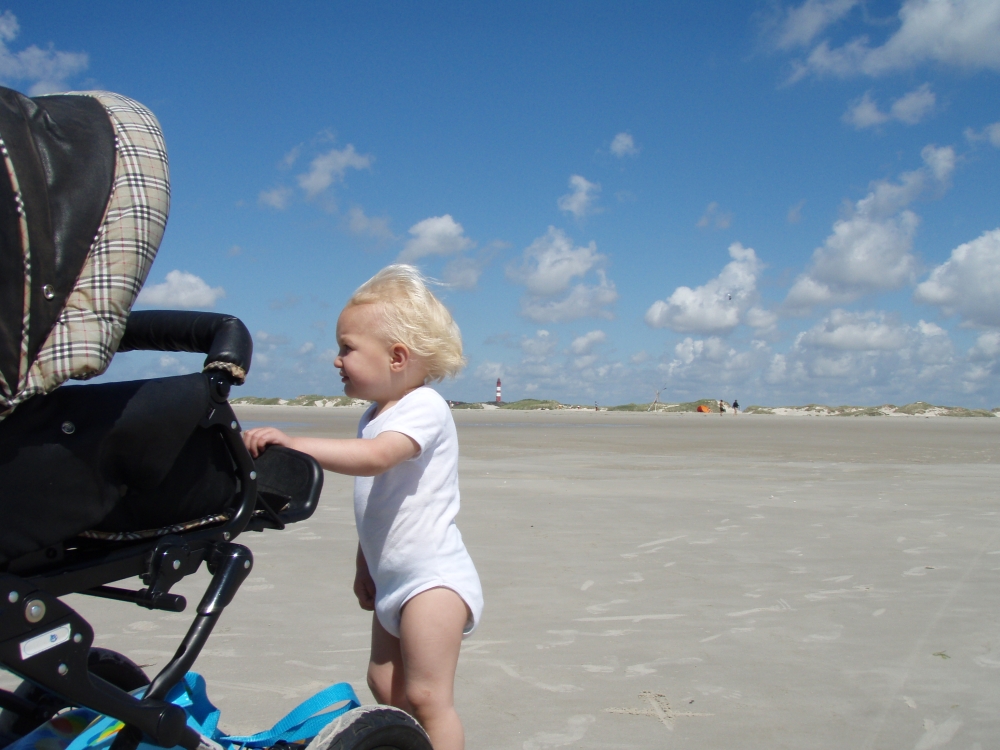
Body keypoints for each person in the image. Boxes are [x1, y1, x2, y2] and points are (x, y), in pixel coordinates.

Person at [243, 265, 482, 750]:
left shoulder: (424, 407)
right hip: (391, 577)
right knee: (383, 682)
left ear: (397, 357)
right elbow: (376, 505)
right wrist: (364, 563)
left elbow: (376, 462)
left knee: (428, 695)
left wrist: (294, 443)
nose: (336, 360)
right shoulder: (374, 415)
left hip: (432, 580)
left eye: (347, 348)